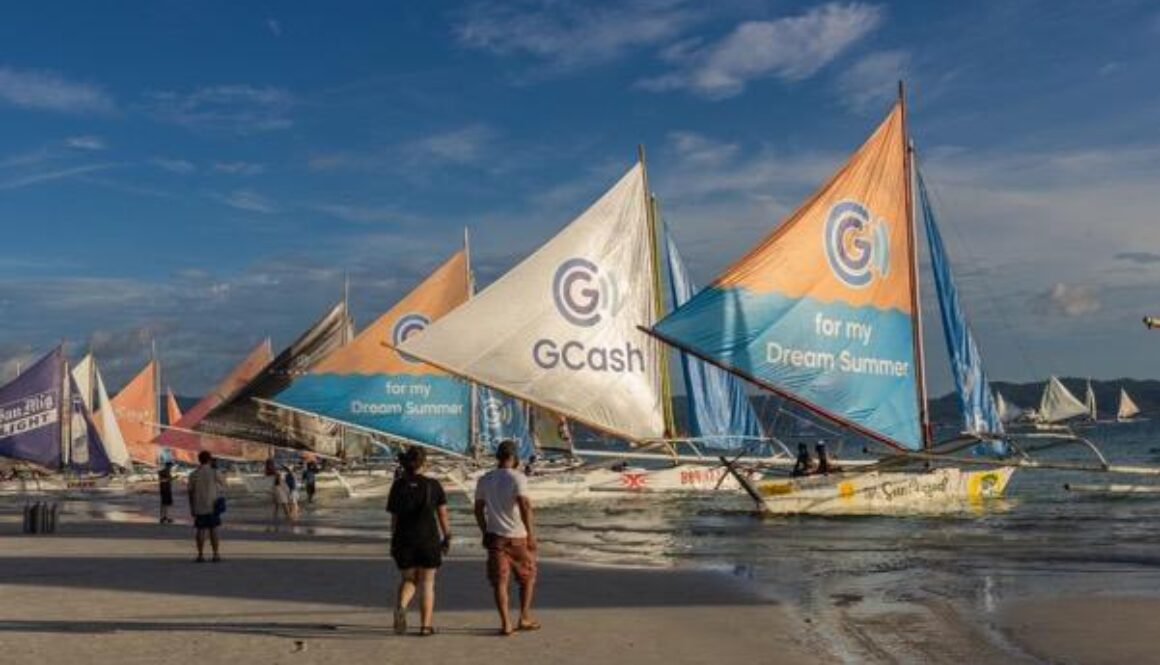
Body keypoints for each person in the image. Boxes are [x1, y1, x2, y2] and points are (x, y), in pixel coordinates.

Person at [474, 440, 540, 636]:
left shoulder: (485, 479)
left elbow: (478, 509)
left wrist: (484, 531)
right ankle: (524, 617)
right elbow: (524, 506)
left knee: (500, 582)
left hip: (495, 536)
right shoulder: (517, 478)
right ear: (514, 457)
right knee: (527, 577)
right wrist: (531, 535)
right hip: (517, 536)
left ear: (498, 457)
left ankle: (506, 623)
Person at [386, 446, 450, 637]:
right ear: (424, 463)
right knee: (428, 584)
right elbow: (442, 515)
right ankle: (425, 627)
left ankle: (402, 606)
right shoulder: (433, 485)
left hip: (404, 540)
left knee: (409, 579)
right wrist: (447, 536)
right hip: (428, 540)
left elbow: (394, 518)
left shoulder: (398, 485)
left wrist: (393, 539)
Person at [188, 451, 226, 562]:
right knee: (214, 530)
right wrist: (216, 468)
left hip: (199, 506)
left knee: (200, 530)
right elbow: (224, 483)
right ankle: (215, 554)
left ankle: (200, 555)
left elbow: (190, 492)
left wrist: (192, 507)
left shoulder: (194, 474)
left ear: (199, 460)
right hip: (212, 506)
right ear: (209, 460)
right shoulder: (214, 472)